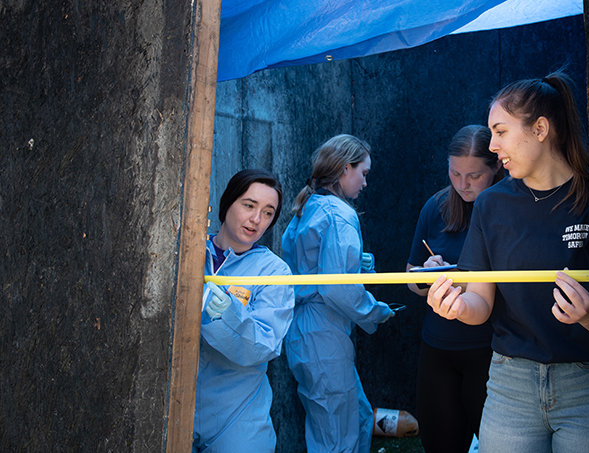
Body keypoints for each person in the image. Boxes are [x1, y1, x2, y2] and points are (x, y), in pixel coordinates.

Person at [426, 72, 589, 452]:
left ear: (540, 128)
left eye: (501, 132)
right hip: (511, 383)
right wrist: (454, 307)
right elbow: (480, 305)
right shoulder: (491, 204)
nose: (493, 145)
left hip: (587, 381)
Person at [281, 134, 396, 453]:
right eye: (364, 172)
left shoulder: (307, 206)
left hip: (302, 330)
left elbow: (312, 268)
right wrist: (377, 312)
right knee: (336, 439)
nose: (365, 182)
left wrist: (359, 264)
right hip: (324, 332)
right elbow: (337, 288)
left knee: (356, 418)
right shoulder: (339, 214)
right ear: (346, 168)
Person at [405, 125, 503, 453]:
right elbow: (410, 277)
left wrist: (461, 280)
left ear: (497, 167)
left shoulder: (507, 208)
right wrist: (425, 275)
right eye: (454, 172)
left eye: (474, 175)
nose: (462, 184)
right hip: (438, 347)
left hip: (492, 350)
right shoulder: (436, 206)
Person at [193, 169, 295, 453]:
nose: (256, 220)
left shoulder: (274, 272)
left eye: (267, 212)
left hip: (237, 417)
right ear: (227, 203)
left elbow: (264, 346)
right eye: (249, 205)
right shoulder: (189, 253)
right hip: (176, 403)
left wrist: (229, 316)